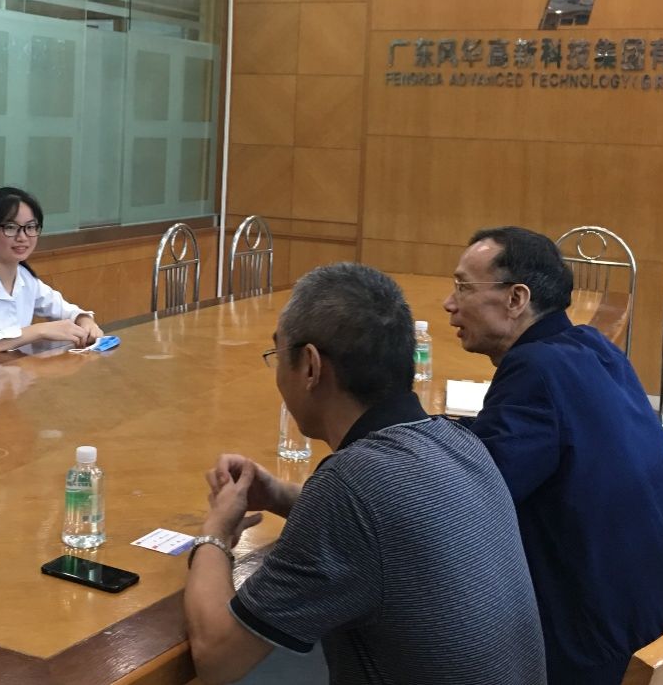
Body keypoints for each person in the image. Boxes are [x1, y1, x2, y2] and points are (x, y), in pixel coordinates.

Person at [185, 263, 546, 685]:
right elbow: (385, 529)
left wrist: (215, 533)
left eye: (278, 355)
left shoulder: (350, 487)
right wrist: (279, 494)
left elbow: (216, 657)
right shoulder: (459, 441)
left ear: (311, 366)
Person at [444, 226, 663, 685]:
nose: (450, 303)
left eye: (463, 287)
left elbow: (468, 505)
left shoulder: (534, 370)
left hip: (599, 660)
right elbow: (506, 449)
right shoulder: (594, 348)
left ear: (516, 299)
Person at [0, 187, 102, 358]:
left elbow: (66, 310)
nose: (23, 237)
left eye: (30, 227)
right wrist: (37, 331)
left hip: (18, 369)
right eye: (11, 227)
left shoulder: (25, 277)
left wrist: (85, 321)